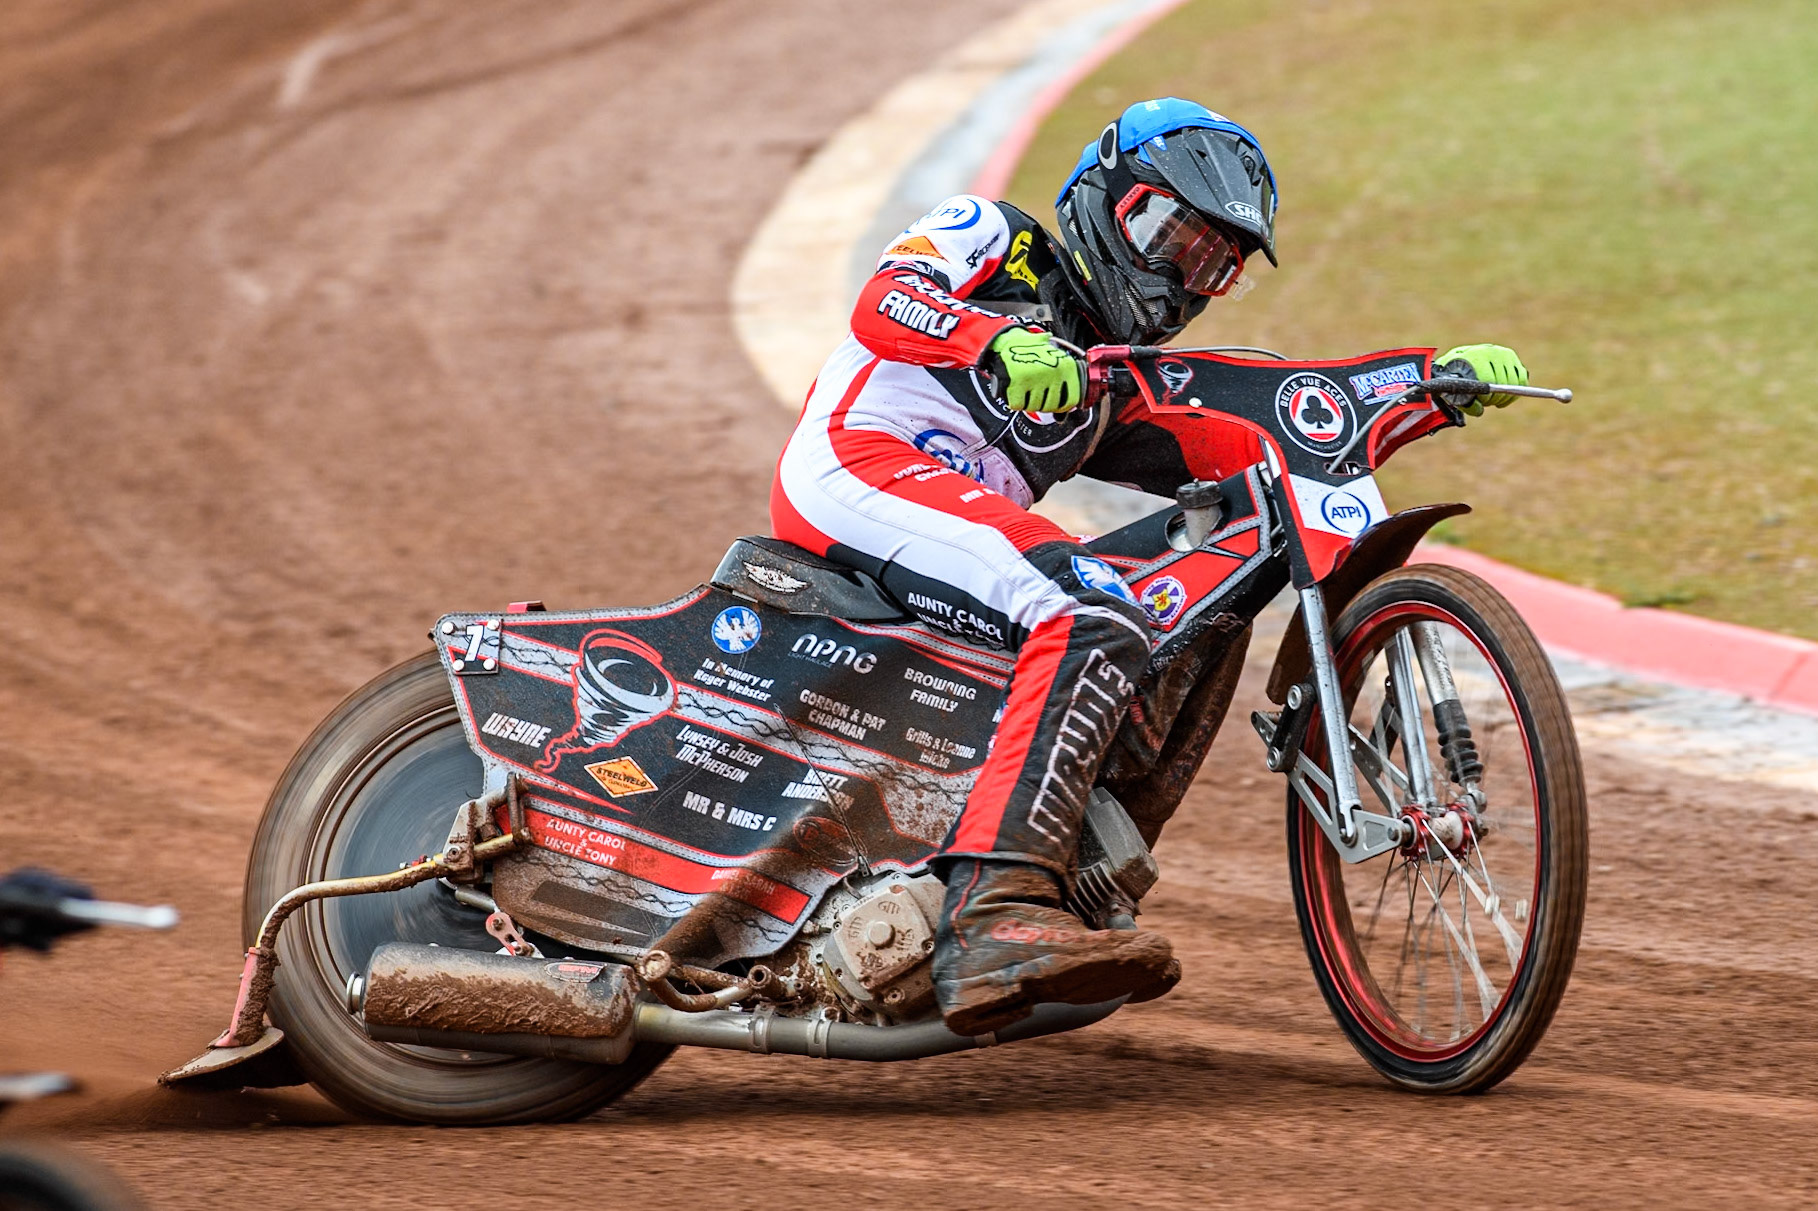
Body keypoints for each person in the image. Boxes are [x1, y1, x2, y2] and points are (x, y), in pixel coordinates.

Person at [770, 97, 1527, 1035]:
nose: (1180, 274)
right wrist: (994, 337)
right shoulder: (992, 236)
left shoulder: (1106, 380)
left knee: (1197, 594)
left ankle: (1077, 873)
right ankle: (993, 913)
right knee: (1086, 605)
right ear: (1103, 197)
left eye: (1212, 262)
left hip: (936, 526)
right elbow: (883, 302)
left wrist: (1422, 384)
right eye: (1166, 231)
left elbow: (1265, 425)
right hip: (856, 464)